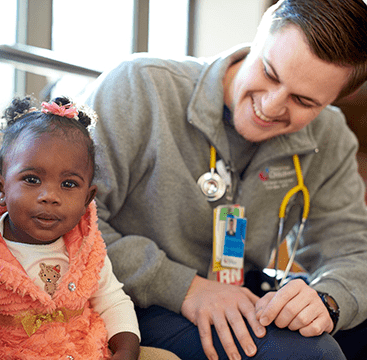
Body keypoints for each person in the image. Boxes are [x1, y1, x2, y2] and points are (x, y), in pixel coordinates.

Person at [80, 0, 367, 359]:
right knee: (309, 354)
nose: (271, 106)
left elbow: (353, 251)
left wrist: (329, 299)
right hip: (128, 295)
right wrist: (185, 288)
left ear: (338, 98)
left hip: (240, 290)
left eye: (303, 101)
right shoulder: (140, 86)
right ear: (261, 33)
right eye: (270, 72)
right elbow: (74, 222)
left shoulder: (330, 136)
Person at [0, 97, 141, 359]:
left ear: (87, 199)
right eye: (32, 179)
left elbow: (114, 302)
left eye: (68, 184)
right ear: (1, 189)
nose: (50, 196)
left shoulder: (87, 246)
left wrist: (126, 350)